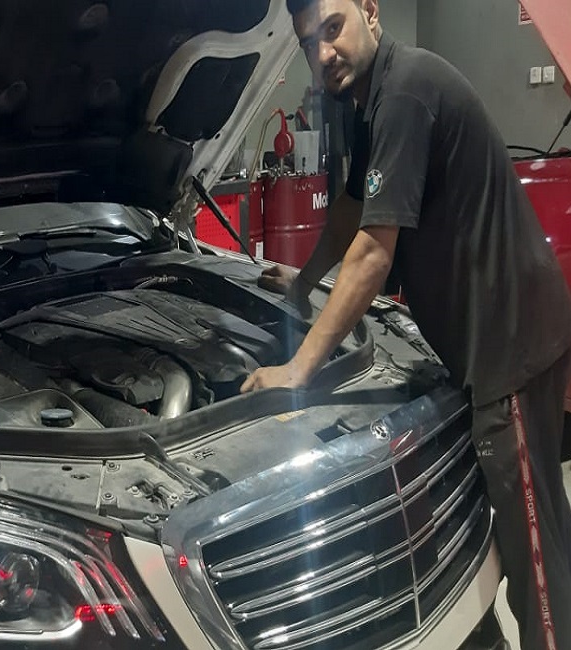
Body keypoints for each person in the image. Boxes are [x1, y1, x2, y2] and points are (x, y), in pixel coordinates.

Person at [240, 1, 571, 648]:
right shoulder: (371, 100)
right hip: (489, 341)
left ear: (370, 10)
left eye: (332, 28)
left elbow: (372, 251)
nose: (323, 54)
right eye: (308, 43)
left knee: (533, 553)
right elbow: (351, 210)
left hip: (509, 347)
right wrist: (302, 285)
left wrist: (297, 370)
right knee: (526, 537)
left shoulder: (404, 92)